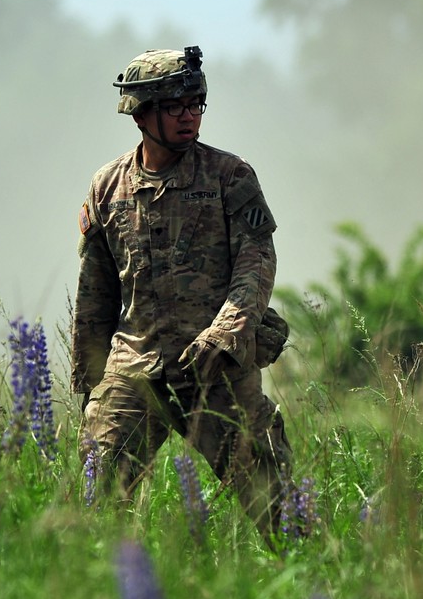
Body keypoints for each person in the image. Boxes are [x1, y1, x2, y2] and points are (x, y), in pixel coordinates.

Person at [70, 45, 293, 543]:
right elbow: (95, 295)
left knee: (280, 511)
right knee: (95, 509)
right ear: (141, 112)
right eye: (176, 106)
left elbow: (257, 261)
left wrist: (226, 333)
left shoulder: (230, 176)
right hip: (135, 369)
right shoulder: (108, 187)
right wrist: (89, 387)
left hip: (215, 367)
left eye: (196, 104)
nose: (189, 116)